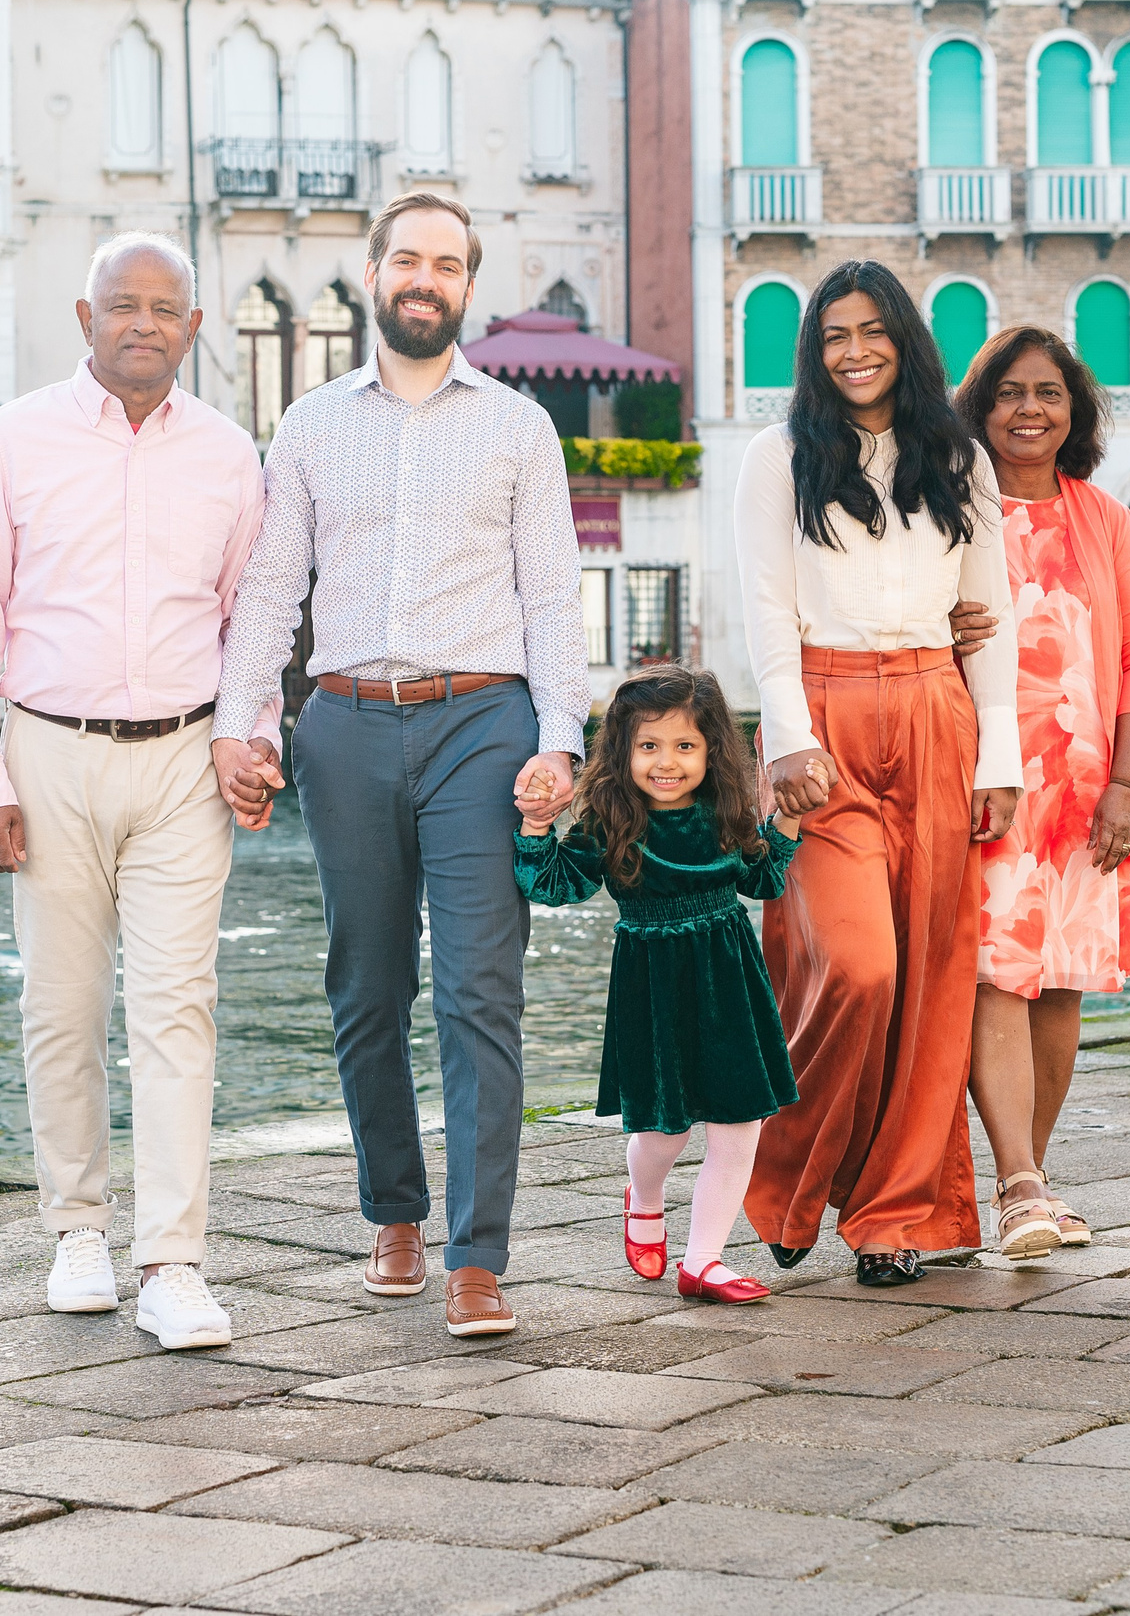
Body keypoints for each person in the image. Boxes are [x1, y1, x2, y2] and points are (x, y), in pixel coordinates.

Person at [212, 192, 590, 1339]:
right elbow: (274, 588)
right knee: (365, 983)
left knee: (482, 987)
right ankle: (394, 1213)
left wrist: (561, 738)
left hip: (485, 725)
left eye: (448, 264)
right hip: (344, 723)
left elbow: (553, 596)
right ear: (373, 275)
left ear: (468, 287)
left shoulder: (521, 427)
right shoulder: (312, 425)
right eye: (406, 259)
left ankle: (478, 1257)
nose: (425, 279)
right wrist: (245, 724)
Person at [0, 232, 275, 1351]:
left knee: (179, 1010)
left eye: (163, 307)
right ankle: (75, 1229)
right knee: (62, 1006)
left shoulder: (231, 457)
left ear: (192, 329)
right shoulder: (10, 441)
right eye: (121, 304)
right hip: (47, 753)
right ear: (85, 320)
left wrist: (249, 737)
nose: (142, 323)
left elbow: (250, 627)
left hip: (183, 761)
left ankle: (173, 1260)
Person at [735, 259, 1022, 1289]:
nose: (853, 352)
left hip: (939, 714)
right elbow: (765, 613)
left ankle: (898, 1215)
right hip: (824, 720)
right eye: (832, 337)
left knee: (936, 981)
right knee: (856, 969)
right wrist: (787, 741)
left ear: (904, 337)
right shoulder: (778, 458)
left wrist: (1002, 759)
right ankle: (785, 1181)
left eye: (871, 332)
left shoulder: (958, 458)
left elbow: (989, 611)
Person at [952, 325, 1130, 1258]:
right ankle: (1020, 1183)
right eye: (1008, 392)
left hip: (1084, 792)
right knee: (998, 974)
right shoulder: (951, 509)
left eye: (1047, 393)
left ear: (1073, 410)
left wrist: (1127, 783)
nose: (1027, 409)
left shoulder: (1105, 517)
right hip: (988, 783)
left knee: (1063, 989)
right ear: (979, 406)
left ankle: (1023, 1183)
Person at [513, 666, 802, 1302]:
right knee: (665, 1130)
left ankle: (703, 1261)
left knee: (739, 1122)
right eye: (649, 746)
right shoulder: (612, 822)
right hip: (653, 980)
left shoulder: (724, 813)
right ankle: (643, 1198)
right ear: (622, 750)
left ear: (711, 750)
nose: (666, 762)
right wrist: (536, 829)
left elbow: (764, 881)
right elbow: (553, 885)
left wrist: (785, 824)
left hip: (730, 977)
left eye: (684, 746)